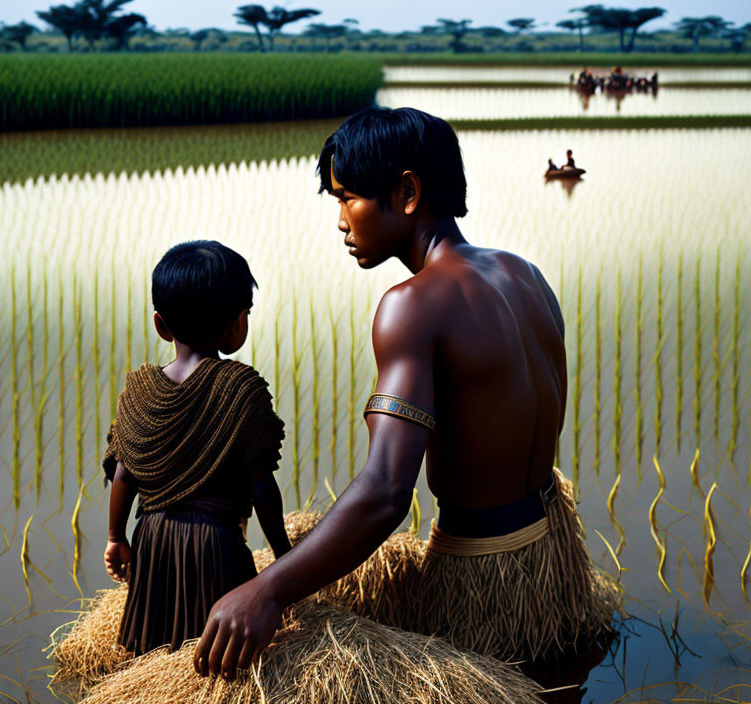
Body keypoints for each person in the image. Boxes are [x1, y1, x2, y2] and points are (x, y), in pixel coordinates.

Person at [192, 107, 617, 680]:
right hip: (549, 559)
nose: (341, 220)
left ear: (407, 192)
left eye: (348, 198)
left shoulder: (411, 305)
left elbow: (388, 490)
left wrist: (268, 589)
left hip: (482, 578)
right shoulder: (526, 274)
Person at [102, 240, 291, 657]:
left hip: (152, 541)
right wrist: (284, 556)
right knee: (219, 656)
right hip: (215, 543)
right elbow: (262, 488)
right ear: (237, 323)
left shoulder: (139, 392)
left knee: (154, 652)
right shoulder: (242, 389)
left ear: (161, 324)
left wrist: (117, 537)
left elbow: (122, 474)